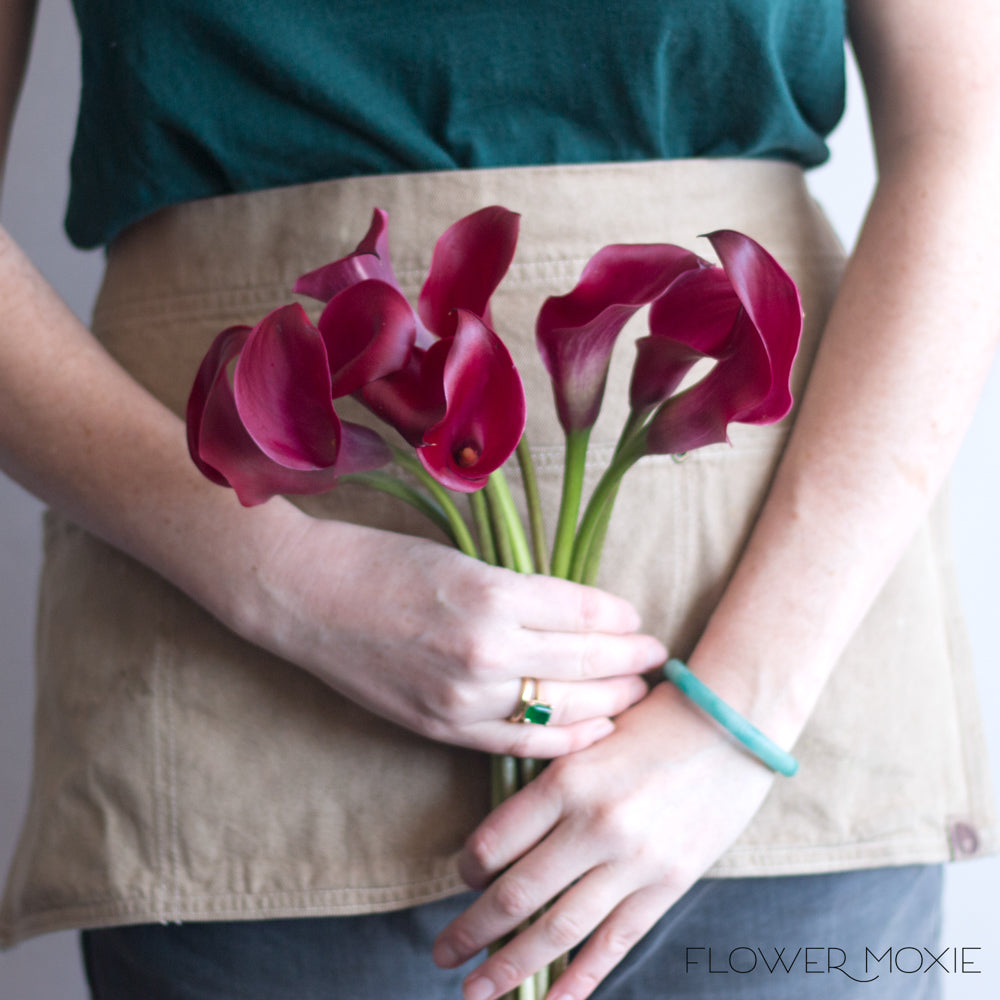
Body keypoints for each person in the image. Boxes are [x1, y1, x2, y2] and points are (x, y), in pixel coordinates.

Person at [0, 2, 997, 999]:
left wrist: (738, 715)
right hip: (230, 689)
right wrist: (283, 579)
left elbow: (970, 138)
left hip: (779, 669)